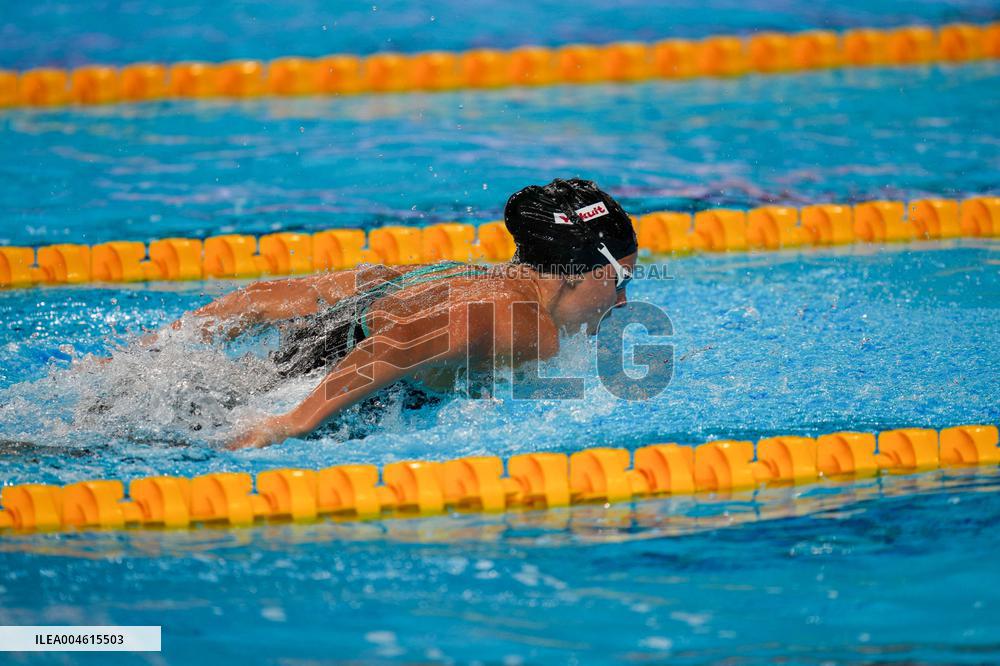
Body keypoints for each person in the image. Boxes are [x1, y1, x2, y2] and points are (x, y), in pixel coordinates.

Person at [193, 178, 637, 449]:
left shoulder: (464, 275)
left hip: (292, 364)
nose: (620, 302)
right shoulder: (524, 324)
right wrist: (294, 422)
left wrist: (169, 341)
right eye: (619, 281)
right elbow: (401, 339)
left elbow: (275, 297)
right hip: (323, 392)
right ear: (576, 273)